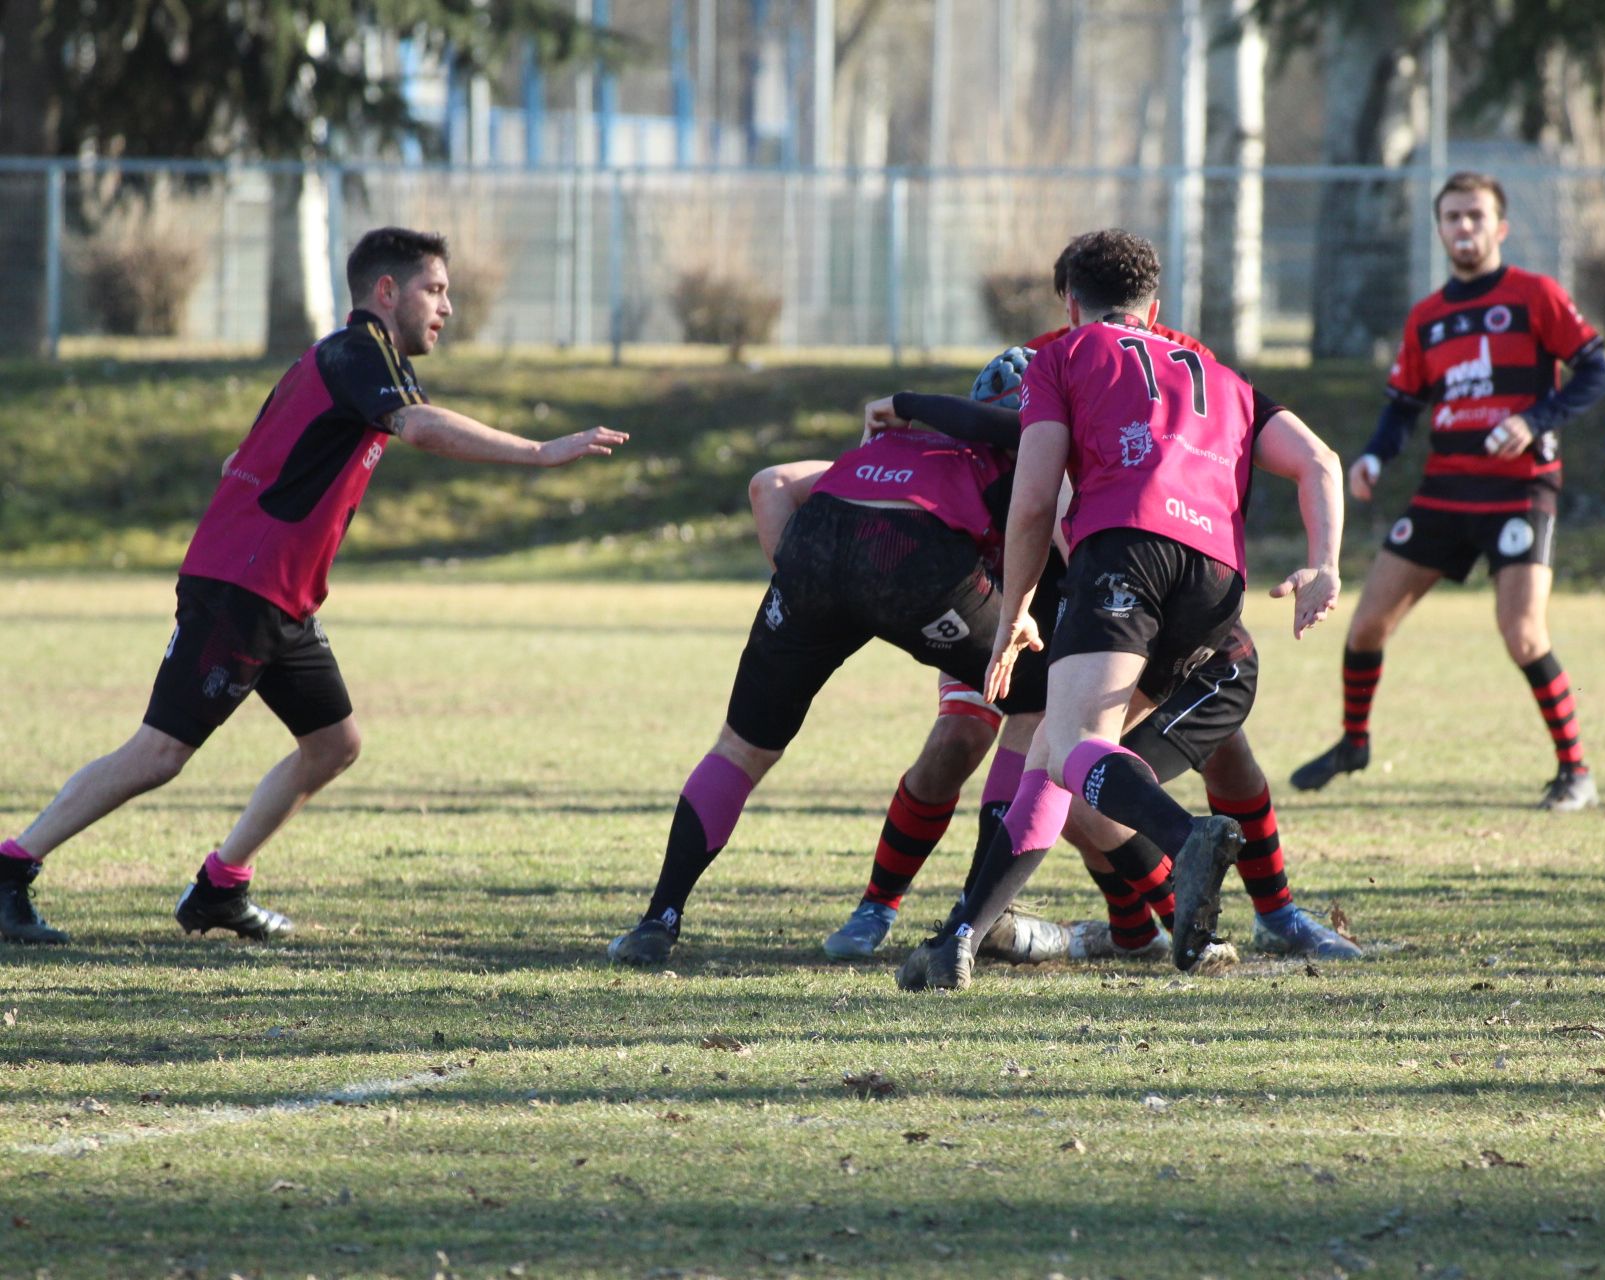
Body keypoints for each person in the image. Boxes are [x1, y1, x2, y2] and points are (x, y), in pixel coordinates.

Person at [0, 227, 628, 945]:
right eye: (435, 289)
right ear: (386, 291)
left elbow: (244, 454)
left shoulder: (333, 359)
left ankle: (220, 887)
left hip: (278, 593)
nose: (447, 307)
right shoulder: (359, 353)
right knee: (160, 752)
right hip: (245, 588)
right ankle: (12, 867)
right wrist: (541, 452)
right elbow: (418, 427)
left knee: (333, 743)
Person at [896, 227, 1344, 990]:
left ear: (1071, 302)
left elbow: (1034, 502)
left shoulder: (1063, 356)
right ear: (1155, 305)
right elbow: (1319, 461)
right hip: (1216, 579)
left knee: (1071, 746)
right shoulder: (1216, 372)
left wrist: (1014, 613)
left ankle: (1187, 834)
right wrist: (1325, 563)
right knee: (1050, 758)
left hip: (1125, 554)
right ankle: (961, 940)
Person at [604, 395, 1055, 967]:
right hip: (914, 555)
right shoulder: (1025, 453)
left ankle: (657, 922)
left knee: (740, 748)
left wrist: (810, 601)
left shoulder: (901, 441)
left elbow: (768, 485)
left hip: (820, 541)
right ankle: (973, 922)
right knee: (1041, 704)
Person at [1289, 171, 1605, 810]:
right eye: (1453, 217)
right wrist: (1375, 458)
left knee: (1522, 633)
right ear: (1439, 229)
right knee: (1365, 626)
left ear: (1501, 227)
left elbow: (1596, 370)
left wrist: (1533, 421)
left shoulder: (1534, 295)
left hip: (1520, 490)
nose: (1464, 228)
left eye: (1475, 216)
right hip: (1444, 491)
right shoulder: (1429, 319)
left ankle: (1575, 771)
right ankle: (1355, 743)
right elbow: (1402, 405)